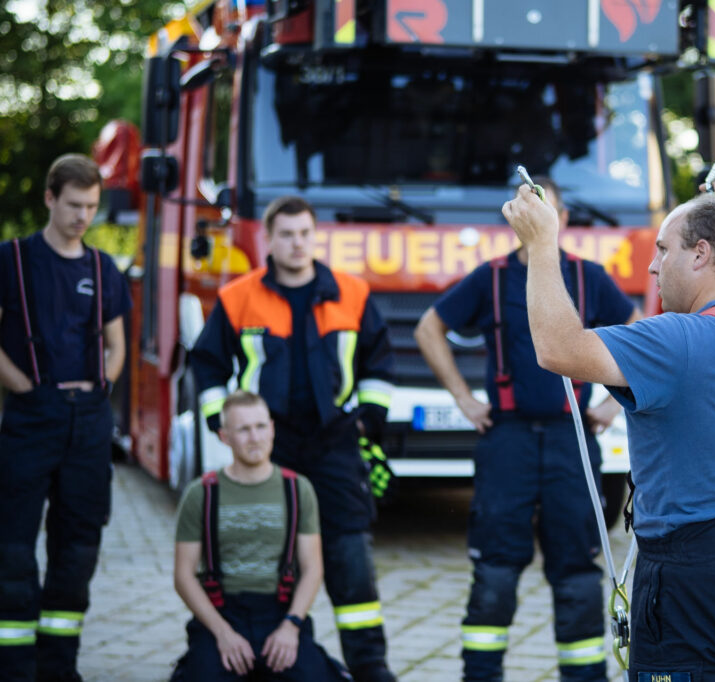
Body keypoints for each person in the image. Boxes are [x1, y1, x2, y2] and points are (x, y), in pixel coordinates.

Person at [500, 178, 715, 680]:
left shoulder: (681, 338)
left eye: (664, 249)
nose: (652, 266)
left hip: (696, 582)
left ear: (700, 254)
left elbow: (557, 349)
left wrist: (541, 245)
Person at [414, 177, 641, 681]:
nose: (534, 212)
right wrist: (462, 397)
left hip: (570, 439)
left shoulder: (587, 278)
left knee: (578, 572)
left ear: (558, 216)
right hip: (507, 440)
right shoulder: (490, 278)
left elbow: (638, 329)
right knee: (495, 568)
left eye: (544, 204)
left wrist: (611, 402)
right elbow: (428, 327)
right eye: (526, 204)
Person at [191, 196, 398, 682]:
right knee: (268, 558)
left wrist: (369, 420)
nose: (297, 243)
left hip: (336, 446)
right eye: (286, 234)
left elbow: (380, 364)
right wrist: (226, 424)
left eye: (305, 233)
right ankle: (276, 659)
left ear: (314, 235)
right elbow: (206, 367)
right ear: (269, 238)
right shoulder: (238, 297)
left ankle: (370, 670)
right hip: (271, 448)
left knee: (352, 565)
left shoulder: (352, 293)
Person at [0, 154, 132, 681]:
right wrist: (24, 386)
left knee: (77, 549)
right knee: (12, 548)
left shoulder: (103, 268)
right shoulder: (10, 260)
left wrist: (102, 385)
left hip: (89, 420)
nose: (83, 216)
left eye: (92, 207)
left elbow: (118, 345)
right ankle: (14, 667)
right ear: (50, 198)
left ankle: (59, 667)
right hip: (31, 416)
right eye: (74, 205)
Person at [172, 391, 351, 681]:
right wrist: (223, 634)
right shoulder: (201, 493)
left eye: (260, 426)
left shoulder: (297, 489)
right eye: (243, 429)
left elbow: (312, 568)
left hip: (279, 612)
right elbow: (183, 576)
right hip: (223, 613)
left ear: (272, 429)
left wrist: (291, 627)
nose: (254, 437)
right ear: (224, 436)